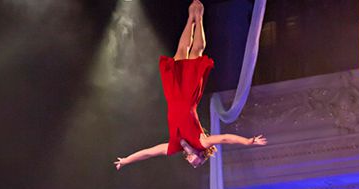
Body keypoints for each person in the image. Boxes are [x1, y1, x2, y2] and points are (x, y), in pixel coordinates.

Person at [114, 0, 266, 171]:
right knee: (197, 51)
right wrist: (247, 141)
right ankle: (198, 18)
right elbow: (224, 138)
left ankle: (190, 19)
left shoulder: (174, 146)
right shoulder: (201, 142)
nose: (194, 164)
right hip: (188, 95)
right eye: (199, 162)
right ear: (201, 154)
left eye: (192, 163)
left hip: (173, 94)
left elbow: (149, 153)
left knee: (181, 52)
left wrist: (126, 160)